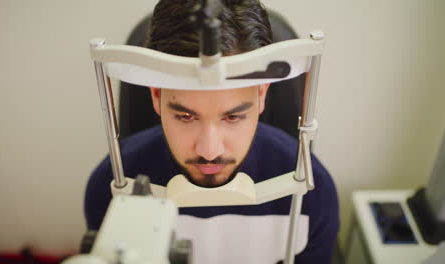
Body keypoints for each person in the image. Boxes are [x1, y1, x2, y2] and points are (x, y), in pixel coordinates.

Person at [85, 0, 339, 263]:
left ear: (262, 92)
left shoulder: (313, 198)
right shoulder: (110, 189)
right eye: (185, 116)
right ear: (156, 94)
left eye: (233, 116)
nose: (209, 151)